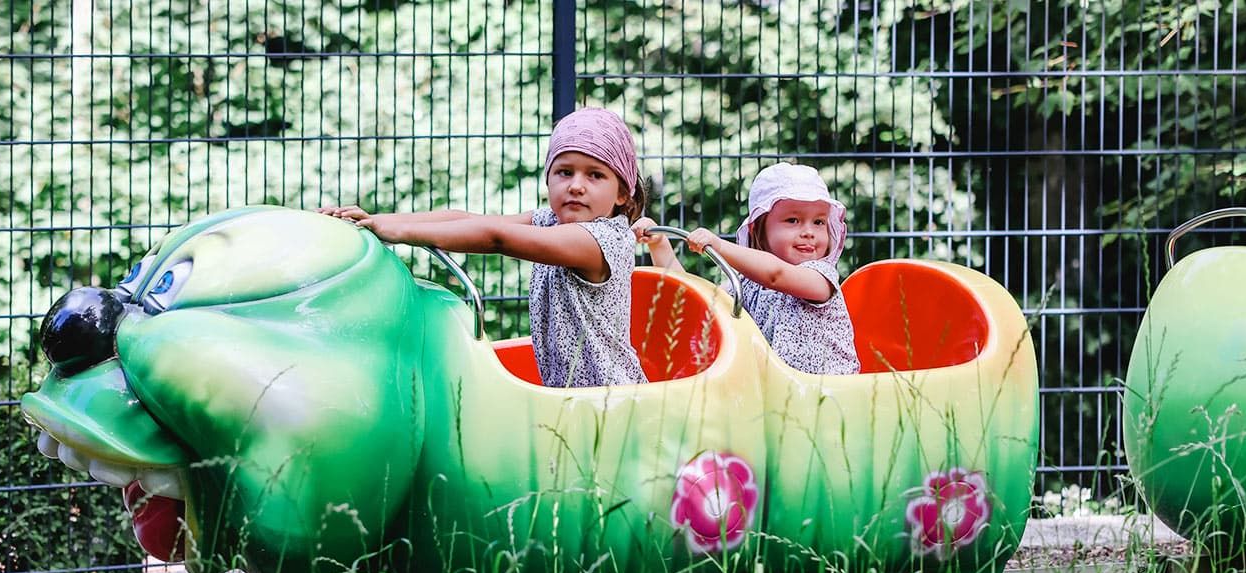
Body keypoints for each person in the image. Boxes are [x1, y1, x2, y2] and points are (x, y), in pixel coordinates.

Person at [319, 108, 648, 388]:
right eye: (564, 172)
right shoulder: (552, 220)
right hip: (568, 400)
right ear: (548, 180)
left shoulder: (600, 241)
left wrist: (400, 232)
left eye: (595, 175)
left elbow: (496, 236)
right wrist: (377, 221)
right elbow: (467, 218)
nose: (576, 185)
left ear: (622, 194)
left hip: (612, 400)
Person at [634, 163, 858, 375]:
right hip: (777, 396)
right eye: (793, 220)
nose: (809, 232)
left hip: (829, 393)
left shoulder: (820, 277)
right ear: (759, 229)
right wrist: (659, 244)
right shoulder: (747, 285)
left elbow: (775, 274)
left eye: (819, 222)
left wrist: (719, 246)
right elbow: (696, 300)